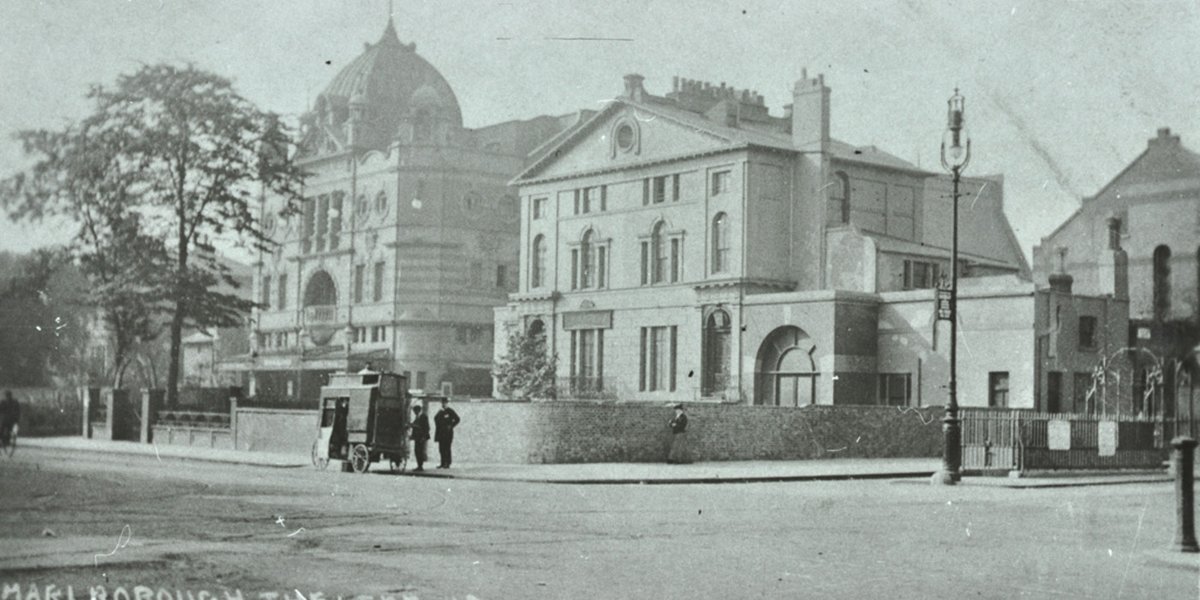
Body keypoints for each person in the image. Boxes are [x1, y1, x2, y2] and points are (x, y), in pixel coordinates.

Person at [433, 397, 460, 469]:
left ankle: (447, 463)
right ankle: (442, 463)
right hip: (441, 433)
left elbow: (457, 419)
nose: (443, 404)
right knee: (441, 449)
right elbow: (435, 418)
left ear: (447, 403)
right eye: (442, 402)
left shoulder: (450, 411)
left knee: (447, 448)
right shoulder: (440, 411)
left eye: (444, 403)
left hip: (448, 433)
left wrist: (451, 426)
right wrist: (439, 412)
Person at [409, 404, 430, 471]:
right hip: (417, 437)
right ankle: (419, 465)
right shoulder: (417, 417)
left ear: (418, 411)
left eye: (415, 411)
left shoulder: (423, 417)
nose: (414, 413)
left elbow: (427, 427)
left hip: (421, 438)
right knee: (417, 451)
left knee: (420, 451)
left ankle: (420, 466)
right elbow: (415, 425)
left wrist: (423, 437)